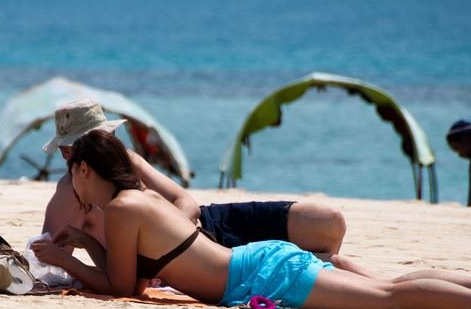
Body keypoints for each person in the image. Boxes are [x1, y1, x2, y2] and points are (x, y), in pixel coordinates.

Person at [31, 130, 471, 309]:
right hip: (260, 265)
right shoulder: (133, 203)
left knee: (389, 298)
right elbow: (136, 279)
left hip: (260, 276)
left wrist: (65, 264)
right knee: (384, 287)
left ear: (83, 168)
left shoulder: (121, 210)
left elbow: (124, 290)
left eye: (71, 171)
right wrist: (80, 244)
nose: (69, 186)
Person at [40, 100, 346, 259]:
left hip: (210, 225)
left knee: (329, 222)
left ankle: (314, 266)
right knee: (325, 262)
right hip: (195, 259)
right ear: (69, 152)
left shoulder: (128, 161)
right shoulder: (72, 190)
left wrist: (176, 232)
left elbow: (186, 201)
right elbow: (48, 255)